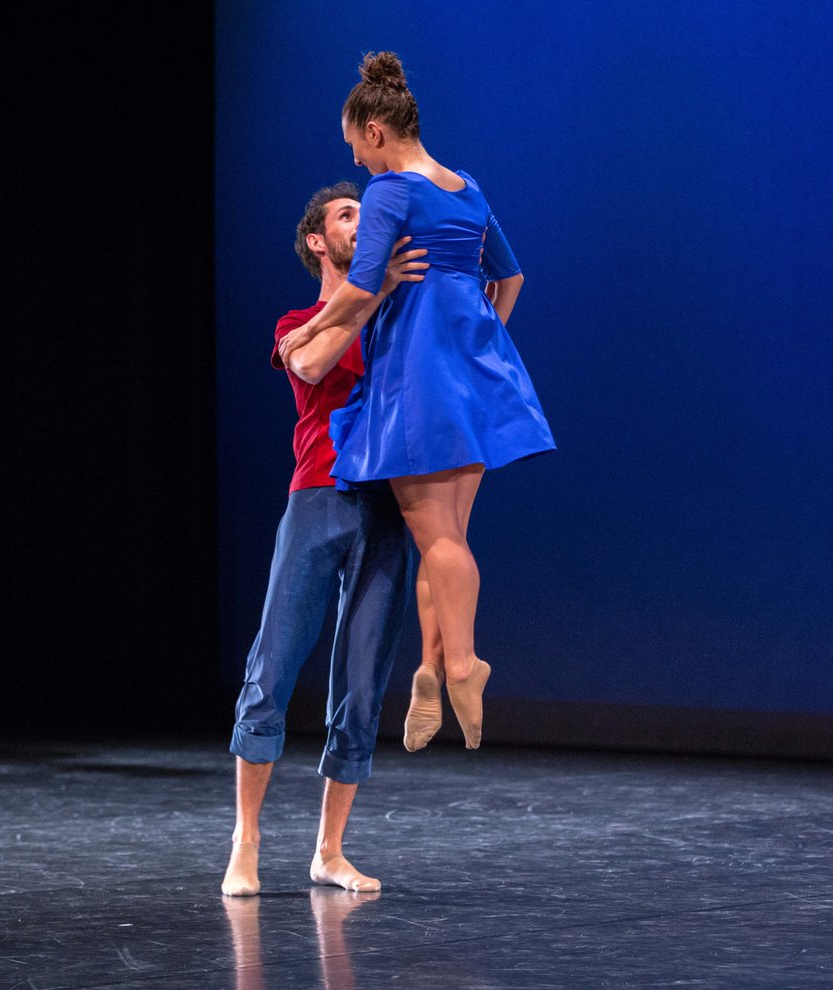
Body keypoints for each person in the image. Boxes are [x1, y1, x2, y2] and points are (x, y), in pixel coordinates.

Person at [279, 52, 555, 755]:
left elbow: (364, 288)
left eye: (354, 147)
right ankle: (430, 669)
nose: (357, 161)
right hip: (474, 371)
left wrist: (306, 328)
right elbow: (512, 276)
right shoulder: (466, 187)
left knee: (436, 539)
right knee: (448, 537)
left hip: (421, 377)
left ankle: (462, 665)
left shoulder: (391, 194)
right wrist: (480, 345)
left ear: (375, 132)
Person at [222, 181, 428, 897]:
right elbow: (309, 365)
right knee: (272, 669)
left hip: (387, 508)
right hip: (318, 497)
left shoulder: (394, 321)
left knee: (363, 686)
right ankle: (246, 840)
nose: (361, 226)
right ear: (320, 241)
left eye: (366, 218)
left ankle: (328, 851)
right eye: (349, 217)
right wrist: (372, 290)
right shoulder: (298, 321)